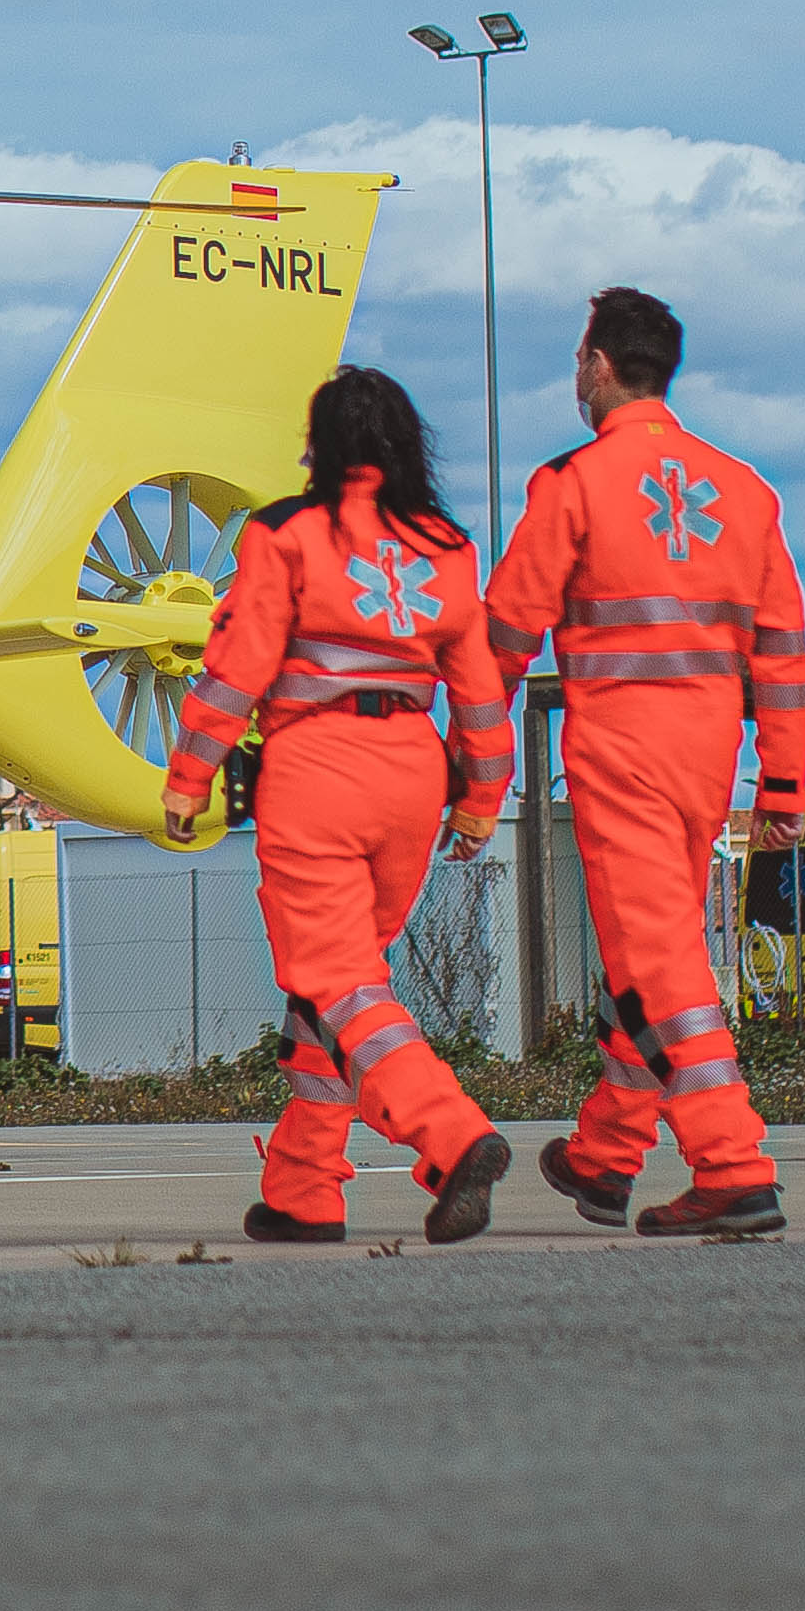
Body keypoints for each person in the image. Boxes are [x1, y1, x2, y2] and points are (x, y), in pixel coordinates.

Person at [150, 364, 518, 1245]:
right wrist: (480, 797)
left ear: (318, 446)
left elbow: (238, 667)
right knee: (339, 989)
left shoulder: (287, 532)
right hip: (413, 771)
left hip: (315, 767)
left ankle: (451, 1135)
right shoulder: (448, 546)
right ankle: (304, 1188)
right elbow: (479, 692)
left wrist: (189, 774)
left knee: (340, 983)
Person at [484, 285, 805, 1241]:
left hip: (620, 752)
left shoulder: (573, 484)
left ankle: (734, 1166)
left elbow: (504, 636)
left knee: (661, 962)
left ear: (598, 365)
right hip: (710, 758)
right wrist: (783, 783)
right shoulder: (746, 491)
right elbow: (784, 655)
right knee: (653, 952)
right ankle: (606, 1154)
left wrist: (470, 759)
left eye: (578, 360)